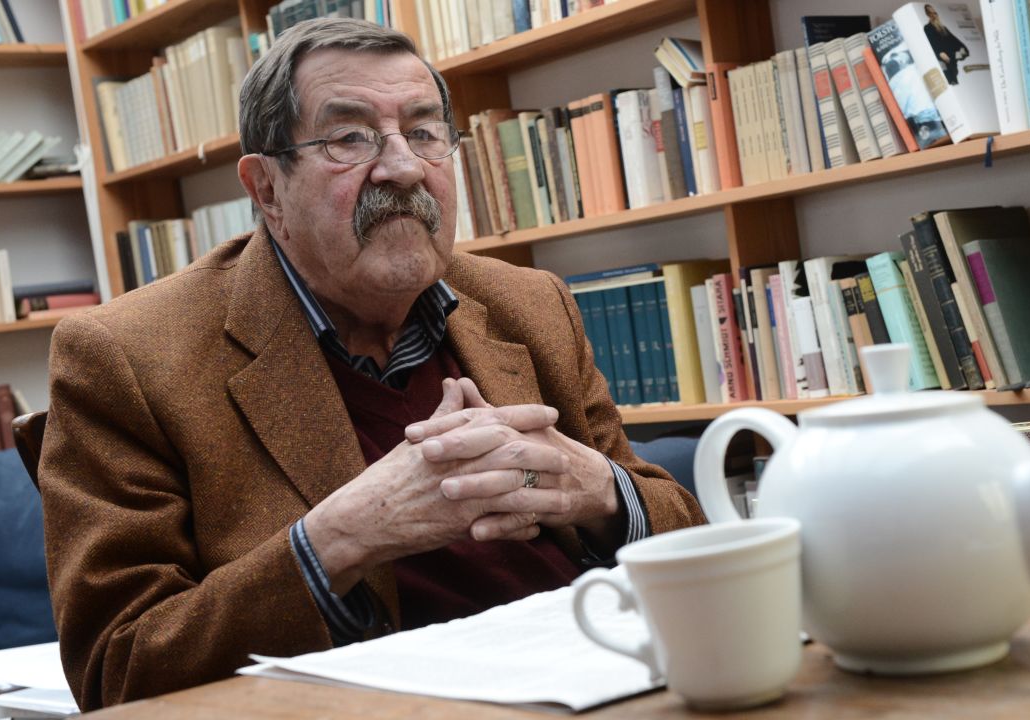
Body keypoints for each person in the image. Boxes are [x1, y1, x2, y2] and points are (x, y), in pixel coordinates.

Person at [38, 17, 706, 711]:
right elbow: (116, 669)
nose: (403, 167)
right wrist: (341, 538)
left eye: (423, 131)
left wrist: (599, 491)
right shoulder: (128, 356)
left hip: (604, 686)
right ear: (266, 189)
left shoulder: (530, 304)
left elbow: (685, 535)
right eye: (349, 138)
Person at [923, 4, 968, 85]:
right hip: (943, 59)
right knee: (949, 77)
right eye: (931, 13)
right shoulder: (927, 28)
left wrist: (961, 49)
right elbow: (932, 42)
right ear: (928, 14)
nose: (934, 15)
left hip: (951, 57)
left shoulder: (943, 28)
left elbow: (954, 40)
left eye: (935, 13)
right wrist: (940, 52)